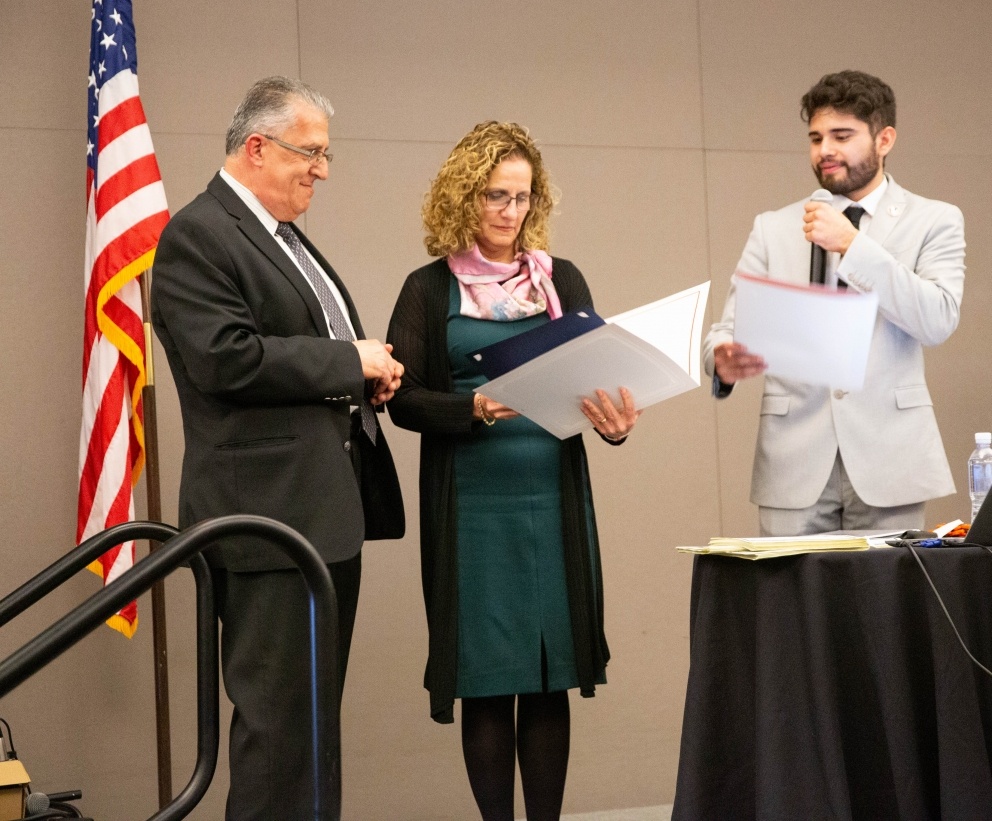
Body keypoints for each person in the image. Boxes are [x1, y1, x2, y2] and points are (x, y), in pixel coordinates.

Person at [150, 76, 404, 820]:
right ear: (257, 148)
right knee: (276, 730)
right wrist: (346, 363)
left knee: (312, 728)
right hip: (263, 522)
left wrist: (364, 380)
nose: (322, 170)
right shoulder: (199, 233)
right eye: (311, 153)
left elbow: (309, 350)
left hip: (321, 515)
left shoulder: (279, 237)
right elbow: (224, 357)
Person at [386, 121, 639, 821]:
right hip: (472, 504)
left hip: (552, 496)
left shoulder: (563, 279)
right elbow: (401, 402)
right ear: (464, 198)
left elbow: (597, 385)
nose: (510, 211)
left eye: (523, 197)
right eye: (496, 195)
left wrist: (614, 426)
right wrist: (472, 406)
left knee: (550, 673)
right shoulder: (428, 288)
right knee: (491, 681)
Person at [703, 70, 965, 537]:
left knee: (885, 609)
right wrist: (722, 361)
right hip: (792, 462)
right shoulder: (774, 226)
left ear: (884, 139)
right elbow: (727, 329)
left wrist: (854, 246)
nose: (825, 150)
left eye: (842, 136)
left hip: (891, 459)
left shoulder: (935, 220)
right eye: (816, 137)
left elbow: (938, 319)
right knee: (790, 609)